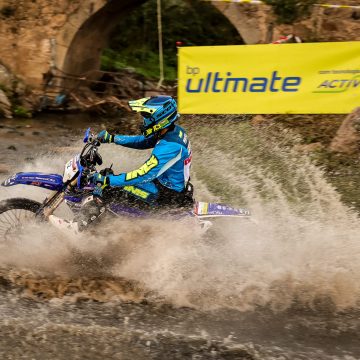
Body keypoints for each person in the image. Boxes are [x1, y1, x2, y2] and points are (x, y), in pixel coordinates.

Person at [49, 95, 194, 235]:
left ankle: (78, 228)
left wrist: (106, 181)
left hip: (165, 197)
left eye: (146, 117)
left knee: (105, 187)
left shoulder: (170, 146)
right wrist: (112, 138)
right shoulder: (172, 131)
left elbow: (144, 174)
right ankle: (101, 223)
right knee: (107, 176)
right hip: (166, 187)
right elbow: (144, 141)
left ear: (160, 118)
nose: (144, 121)